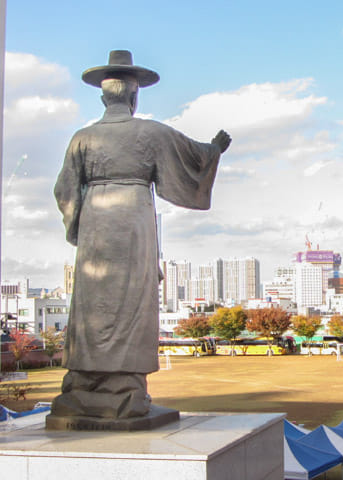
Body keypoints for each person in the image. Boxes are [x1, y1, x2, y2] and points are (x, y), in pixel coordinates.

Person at [51, 50, 231, 420]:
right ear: (135, 97)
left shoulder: (81, 138)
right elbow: (194, 157)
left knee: (93, 299)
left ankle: (85, 382)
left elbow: (65, 191)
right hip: (132, 218)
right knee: (131, 297)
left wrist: (78, 230)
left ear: (104, 98)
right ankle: (124, 384)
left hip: (96, 225)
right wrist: (215, 149)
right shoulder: (149, 132)